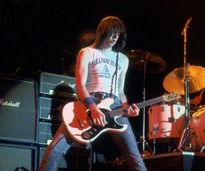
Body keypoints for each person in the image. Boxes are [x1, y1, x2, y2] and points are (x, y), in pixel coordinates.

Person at [39, 16, 147, 171]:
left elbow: (120, 92)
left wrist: (127, 108)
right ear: (103, 31)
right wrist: (94, 108)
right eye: (112, 33)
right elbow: (80, 85)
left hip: (114, 104)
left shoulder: (122, 59)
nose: (115, 38)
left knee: (136, 160)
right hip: (89, 103)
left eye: (118, 35)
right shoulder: (87, 53)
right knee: (54, 151)